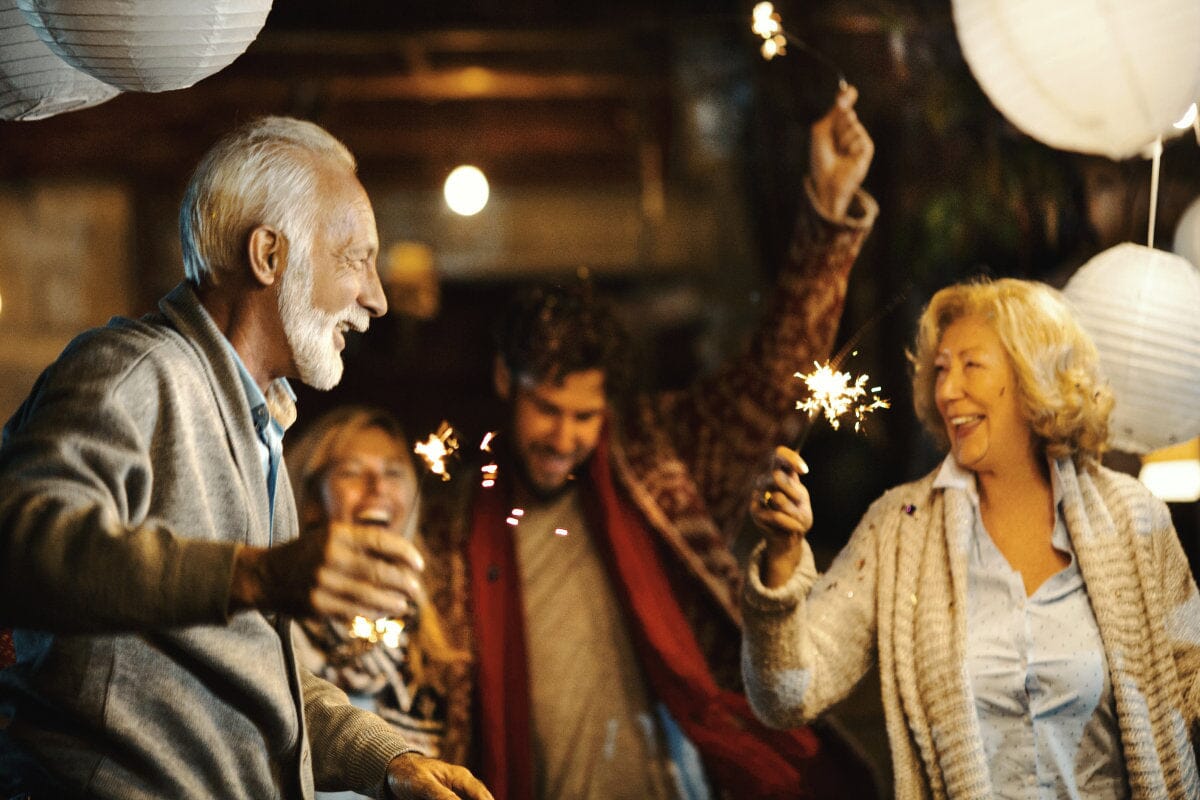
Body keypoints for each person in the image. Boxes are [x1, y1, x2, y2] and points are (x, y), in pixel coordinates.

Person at [0, 116, 491, 800]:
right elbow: (16, 549)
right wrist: (256, 575)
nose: (376, 298)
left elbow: (265, 675)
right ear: (268, 256)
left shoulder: (259, 424)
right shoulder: (139, 374)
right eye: (355, 258)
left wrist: (387, 762)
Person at [416, 85, 880, 799]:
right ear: (506, 381)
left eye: (585, 414)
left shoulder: (656, 456)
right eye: (548, 408)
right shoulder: (455, 517)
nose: (564, 437)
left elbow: (772, 384)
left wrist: (825, 214)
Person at [742, 277, 1200, 799]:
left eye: (971, 366)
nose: (947, 390)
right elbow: (786, 695)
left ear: (1034, 377)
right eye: (940, 370)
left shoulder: (1132, 518)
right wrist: (782, 559)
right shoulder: (898, 528)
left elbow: (1191, 679)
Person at [286, 405, 470, 799]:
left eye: (393, 472)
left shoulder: (443, 620)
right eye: (352, 471)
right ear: (313, 498)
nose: (378, 488)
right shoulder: (282, 616)